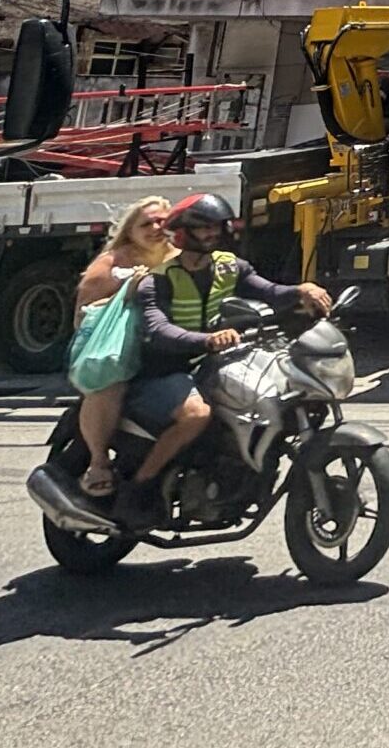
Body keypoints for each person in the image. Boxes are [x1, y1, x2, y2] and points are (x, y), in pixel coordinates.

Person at [116, 192, 333, 530]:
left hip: (213, 364)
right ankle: (139, 489)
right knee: (197, 415)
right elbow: (158, 329)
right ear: (184, 232)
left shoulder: (229, 266)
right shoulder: (157, 279)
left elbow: (269, 291)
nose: (212, 233)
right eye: (203, 228)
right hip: (163, 371)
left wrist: (301, 291)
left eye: (216, 227)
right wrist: (206, 339)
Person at [70, 195, 174, 499]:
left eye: (162, 222)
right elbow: (84, 312)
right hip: (119, 349)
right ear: (130, 230)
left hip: (169, 346)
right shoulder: (113, 262)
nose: (155, 228)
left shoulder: (181, 256)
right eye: (146, 224)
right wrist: (126, 292)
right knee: (109, 383)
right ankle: (98, 462)